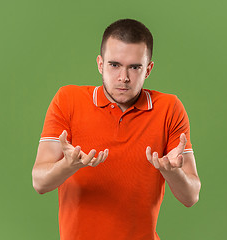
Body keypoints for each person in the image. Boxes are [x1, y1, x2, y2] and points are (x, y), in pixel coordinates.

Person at [32, 18, 201, 240]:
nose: (124, 77)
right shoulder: (67, 101)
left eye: (134, 67)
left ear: (148, 69)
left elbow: (191, 196)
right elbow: (40, 182)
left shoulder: (169, 109)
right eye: (114, 65)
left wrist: (172, 172)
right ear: (100, 64)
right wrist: (68, 165)